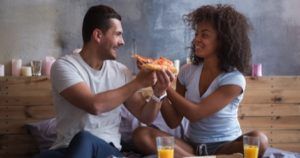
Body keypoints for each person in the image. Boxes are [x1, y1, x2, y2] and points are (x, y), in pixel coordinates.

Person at [34, 4, 174, 158]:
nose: (122, 42)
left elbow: (145, 116)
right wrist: (137, 83)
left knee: (84, 139)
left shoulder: (121, 71)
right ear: (98, 35)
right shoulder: (64, 66)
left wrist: (158, 92)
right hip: (66, 148)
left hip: (107, 150)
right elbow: (94, 105)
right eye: (118, 34)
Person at [133, 4, 269, 158]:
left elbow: (195, 113)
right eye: (196, 34)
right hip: (191, 147)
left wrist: (167, 88)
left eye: (204, 35)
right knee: (141, 135)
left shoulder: (234, 79)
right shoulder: (187, 71)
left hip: (225, 147)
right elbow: (173, 121)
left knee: (260, 140)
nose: (196, 39)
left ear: (223, 40)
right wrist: (157, 85)